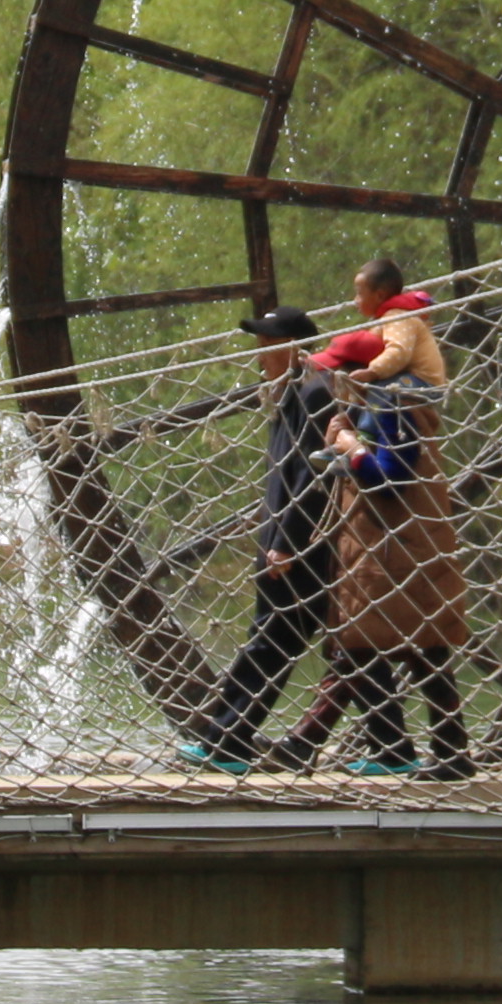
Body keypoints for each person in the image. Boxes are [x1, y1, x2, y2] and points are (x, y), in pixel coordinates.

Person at [265, 261, 470, 780]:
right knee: (400, 648)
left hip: (399, 549)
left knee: (384, 644)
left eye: (340, 367)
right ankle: (432, 753)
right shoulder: (382, 402)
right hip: (393, 546)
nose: (335, 376)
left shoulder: (392, 402)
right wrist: (345, 439)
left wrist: (350, 447)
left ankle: (309, 742)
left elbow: (388, 475)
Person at [186, 310, 343, 770]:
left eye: (266, 342)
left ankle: (226, 740)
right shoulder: (294, 392)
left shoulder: (316, 393)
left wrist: (287, 543)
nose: (259, 352)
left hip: (300, 551)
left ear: (293, 345)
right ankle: (394, 746)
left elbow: (313, 478)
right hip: (283, 546)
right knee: (338, 648)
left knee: (270, 645)